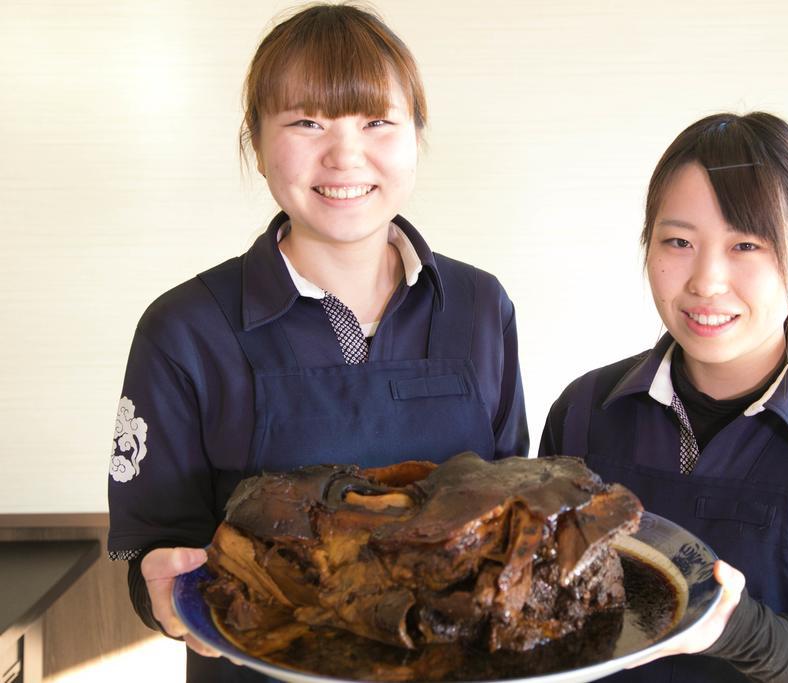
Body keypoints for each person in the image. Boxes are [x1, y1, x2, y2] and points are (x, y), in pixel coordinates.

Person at [106, 4, 527, 680]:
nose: (345, 155)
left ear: (416, 135)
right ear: (256, 139)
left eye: (377, 122)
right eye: (307, 121)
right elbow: (153, 546)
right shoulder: (185, 330)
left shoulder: (480, 307)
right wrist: (158, 590)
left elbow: (508, 509)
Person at [540, 112, 788, 682]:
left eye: (746, 244)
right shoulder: (584, 411)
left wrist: (737, 629)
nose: (706, 280)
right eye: (679, 241)